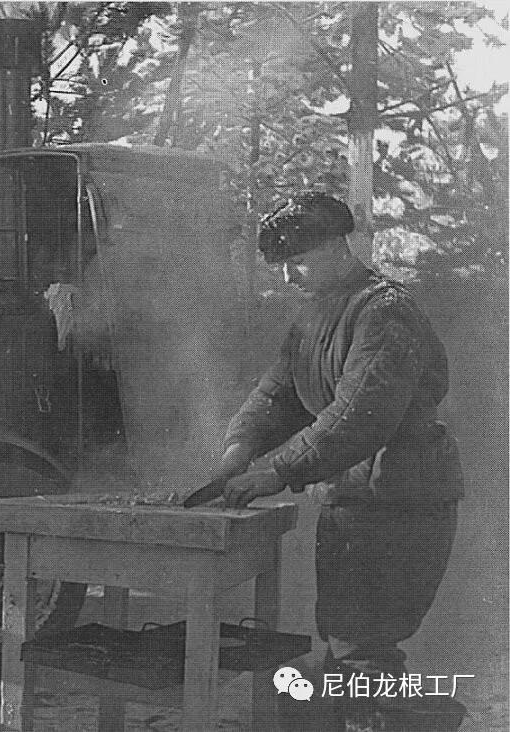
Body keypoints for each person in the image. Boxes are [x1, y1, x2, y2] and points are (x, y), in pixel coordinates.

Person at [216, 192, 462, 696]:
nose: (288, 277)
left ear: (335, 248)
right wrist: (239, 446)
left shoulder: (385, 312)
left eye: (298, 263)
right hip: (353, 499)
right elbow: (276, 394)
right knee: (346, 639)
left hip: (402, 503)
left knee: (364, 644)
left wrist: (276, 471)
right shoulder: (315, 317)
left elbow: (359, 417)